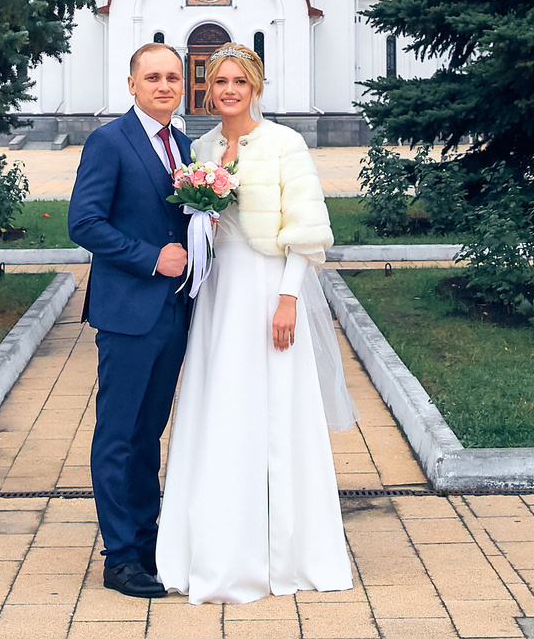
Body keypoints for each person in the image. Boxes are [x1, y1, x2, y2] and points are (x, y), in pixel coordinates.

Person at [155, 46, 357, 604]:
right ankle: (215, 545)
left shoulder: (285, 144)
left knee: (274, 411)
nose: (227, 90)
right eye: (218, 81)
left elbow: (309, 230)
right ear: (208, 90)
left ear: (257, 87)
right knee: (219, 406)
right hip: (220, 292)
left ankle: (286, 549)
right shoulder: (202, 148)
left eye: (238, 81)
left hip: (269, 289)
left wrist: (289, 299)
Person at [66, 41, 194, 600]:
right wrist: (149, 257)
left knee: (149, 433)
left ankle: (145, 544)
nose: (165, 85)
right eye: (154, 77)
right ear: (133, 85)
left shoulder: (184, 146)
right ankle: (118, 557)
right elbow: (84, 222)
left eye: (173, 77)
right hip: (127, 311)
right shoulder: (109, 141)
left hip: (174, 311)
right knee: (118, 434)